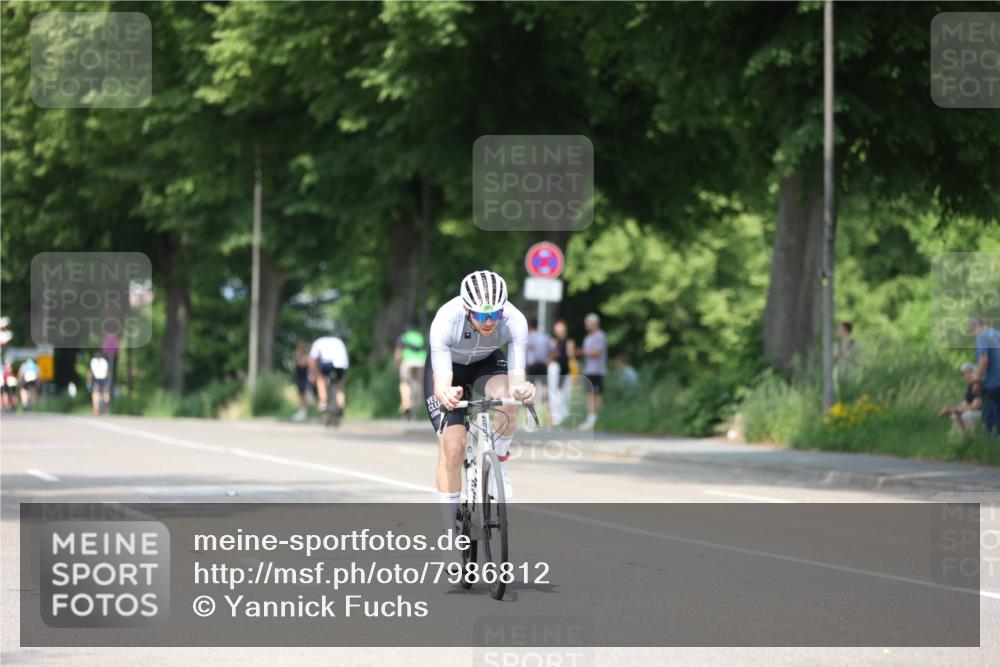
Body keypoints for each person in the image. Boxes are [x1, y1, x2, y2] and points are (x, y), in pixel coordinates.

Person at [425, 269, 535, 547]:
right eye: (482, 315)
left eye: (495, 315)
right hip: (450, 369)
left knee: (508, 401)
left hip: (486, 363)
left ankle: (498, 460)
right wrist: (446, 394)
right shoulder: (445, 321)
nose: (489, 322)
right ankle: (450, 535)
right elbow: (441, 381)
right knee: (452, 448)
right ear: (466, 308)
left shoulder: (514, 320)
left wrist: (522, 389)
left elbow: (517, 376)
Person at [970, 315, 1000, 435]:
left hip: (992, 383)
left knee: (989, 416)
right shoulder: (997, 334)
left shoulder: (982, 337)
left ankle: (992, 445)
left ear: (975, 326)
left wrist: (977, 380)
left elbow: (984, 362)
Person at [578, 313, 608, 431]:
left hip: (597, 371)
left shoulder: (599, 336)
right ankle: (590, 418)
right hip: (589, 370)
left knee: (597, 394)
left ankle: (594, 418)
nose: (587, 325)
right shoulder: (588, 337)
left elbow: (597, 353)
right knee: (589, 395)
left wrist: (583, 352)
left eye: (589, 323)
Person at [309, 334, 349, 421]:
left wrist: (312, 374)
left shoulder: (318, 342)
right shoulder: (338, 341)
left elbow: (312, 359)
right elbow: (345, 358)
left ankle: (323, 403)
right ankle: (341, 405)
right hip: (341, 364)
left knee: (320, 379)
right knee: (339, 387)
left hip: (328, 363)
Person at [938, 362, 983, 434]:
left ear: (975, 374)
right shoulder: (970, 387)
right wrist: (954, 410)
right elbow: (964, 404)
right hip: (974, 411)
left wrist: (951, 410)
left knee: (967, 415)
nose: (967, 376)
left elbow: (975, 406)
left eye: (969, 373)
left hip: (984, 413)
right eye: (965, 374)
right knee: (955, 415)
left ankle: (972, 437)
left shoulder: (980, 386)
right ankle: (962, 439)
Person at [395, 324, 427, 420]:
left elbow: (398, 353)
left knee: (404, 383)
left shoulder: (403, 337)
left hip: (408, 362)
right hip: (421, 362)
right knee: (419, 384)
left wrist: (397, 366)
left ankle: (406, 404)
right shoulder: (420, 337)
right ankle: (416, 410)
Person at [547, 319, 575, 426]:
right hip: (555, 370)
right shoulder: (553, 342)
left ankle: (564, 416)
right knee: (555, 393)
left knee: (565, 395)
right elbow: (550, 356)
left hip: (566, 371)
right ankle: (556, 416)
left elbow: (570, 356)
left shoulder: (569, 342)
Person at [291, 340, 312, 422]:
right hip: (299, 377)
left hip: (304, 377)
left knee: (304, 394)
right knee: (300, 394)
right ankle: (302, 411)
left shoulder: (307, 356)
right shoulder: (297, 355)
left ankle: (304, 412)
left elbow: (303, 364)